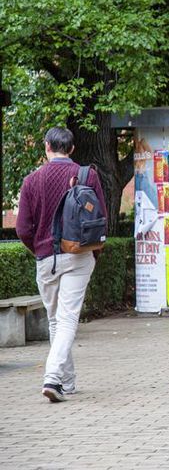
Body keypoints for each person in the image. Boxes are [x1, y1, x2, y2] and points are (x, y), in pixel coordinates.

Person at [16, 127, 107, 403]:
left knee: (57, 320)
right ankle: (54, 377)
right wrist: (94, 252)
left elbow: (22, 228)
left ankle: (66, 382)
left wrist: (40, 250)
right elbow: (100, 217)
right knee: (66, 319)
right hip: (79, 255)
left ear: (46, 146)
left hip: (46, 259)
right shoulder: (87, 175)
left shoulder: (32, 180)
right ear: (72, 149)